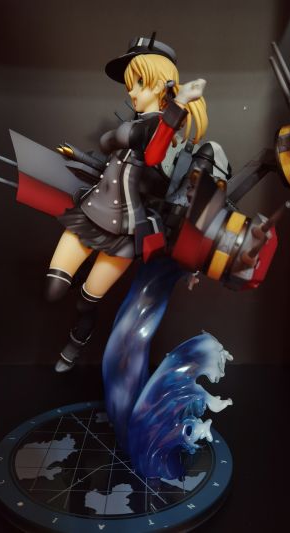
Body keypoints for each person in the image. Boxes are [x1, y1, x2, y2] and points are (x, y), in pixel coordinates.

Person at [45, 35, 208, 372]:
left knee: (86, 301)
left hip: (123, 232)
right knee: (54, 289)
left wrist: (177, 106)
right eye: (130, 84)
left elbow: (153, 154)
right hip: (89, 214)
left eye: (140, 83)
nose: (132, 92)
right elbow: (108, 157)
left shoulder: (160, 129)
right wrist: (78, 155)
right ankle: (81, 276)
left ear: (161, 85)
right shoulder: (138, 124)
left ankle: (79, 337)